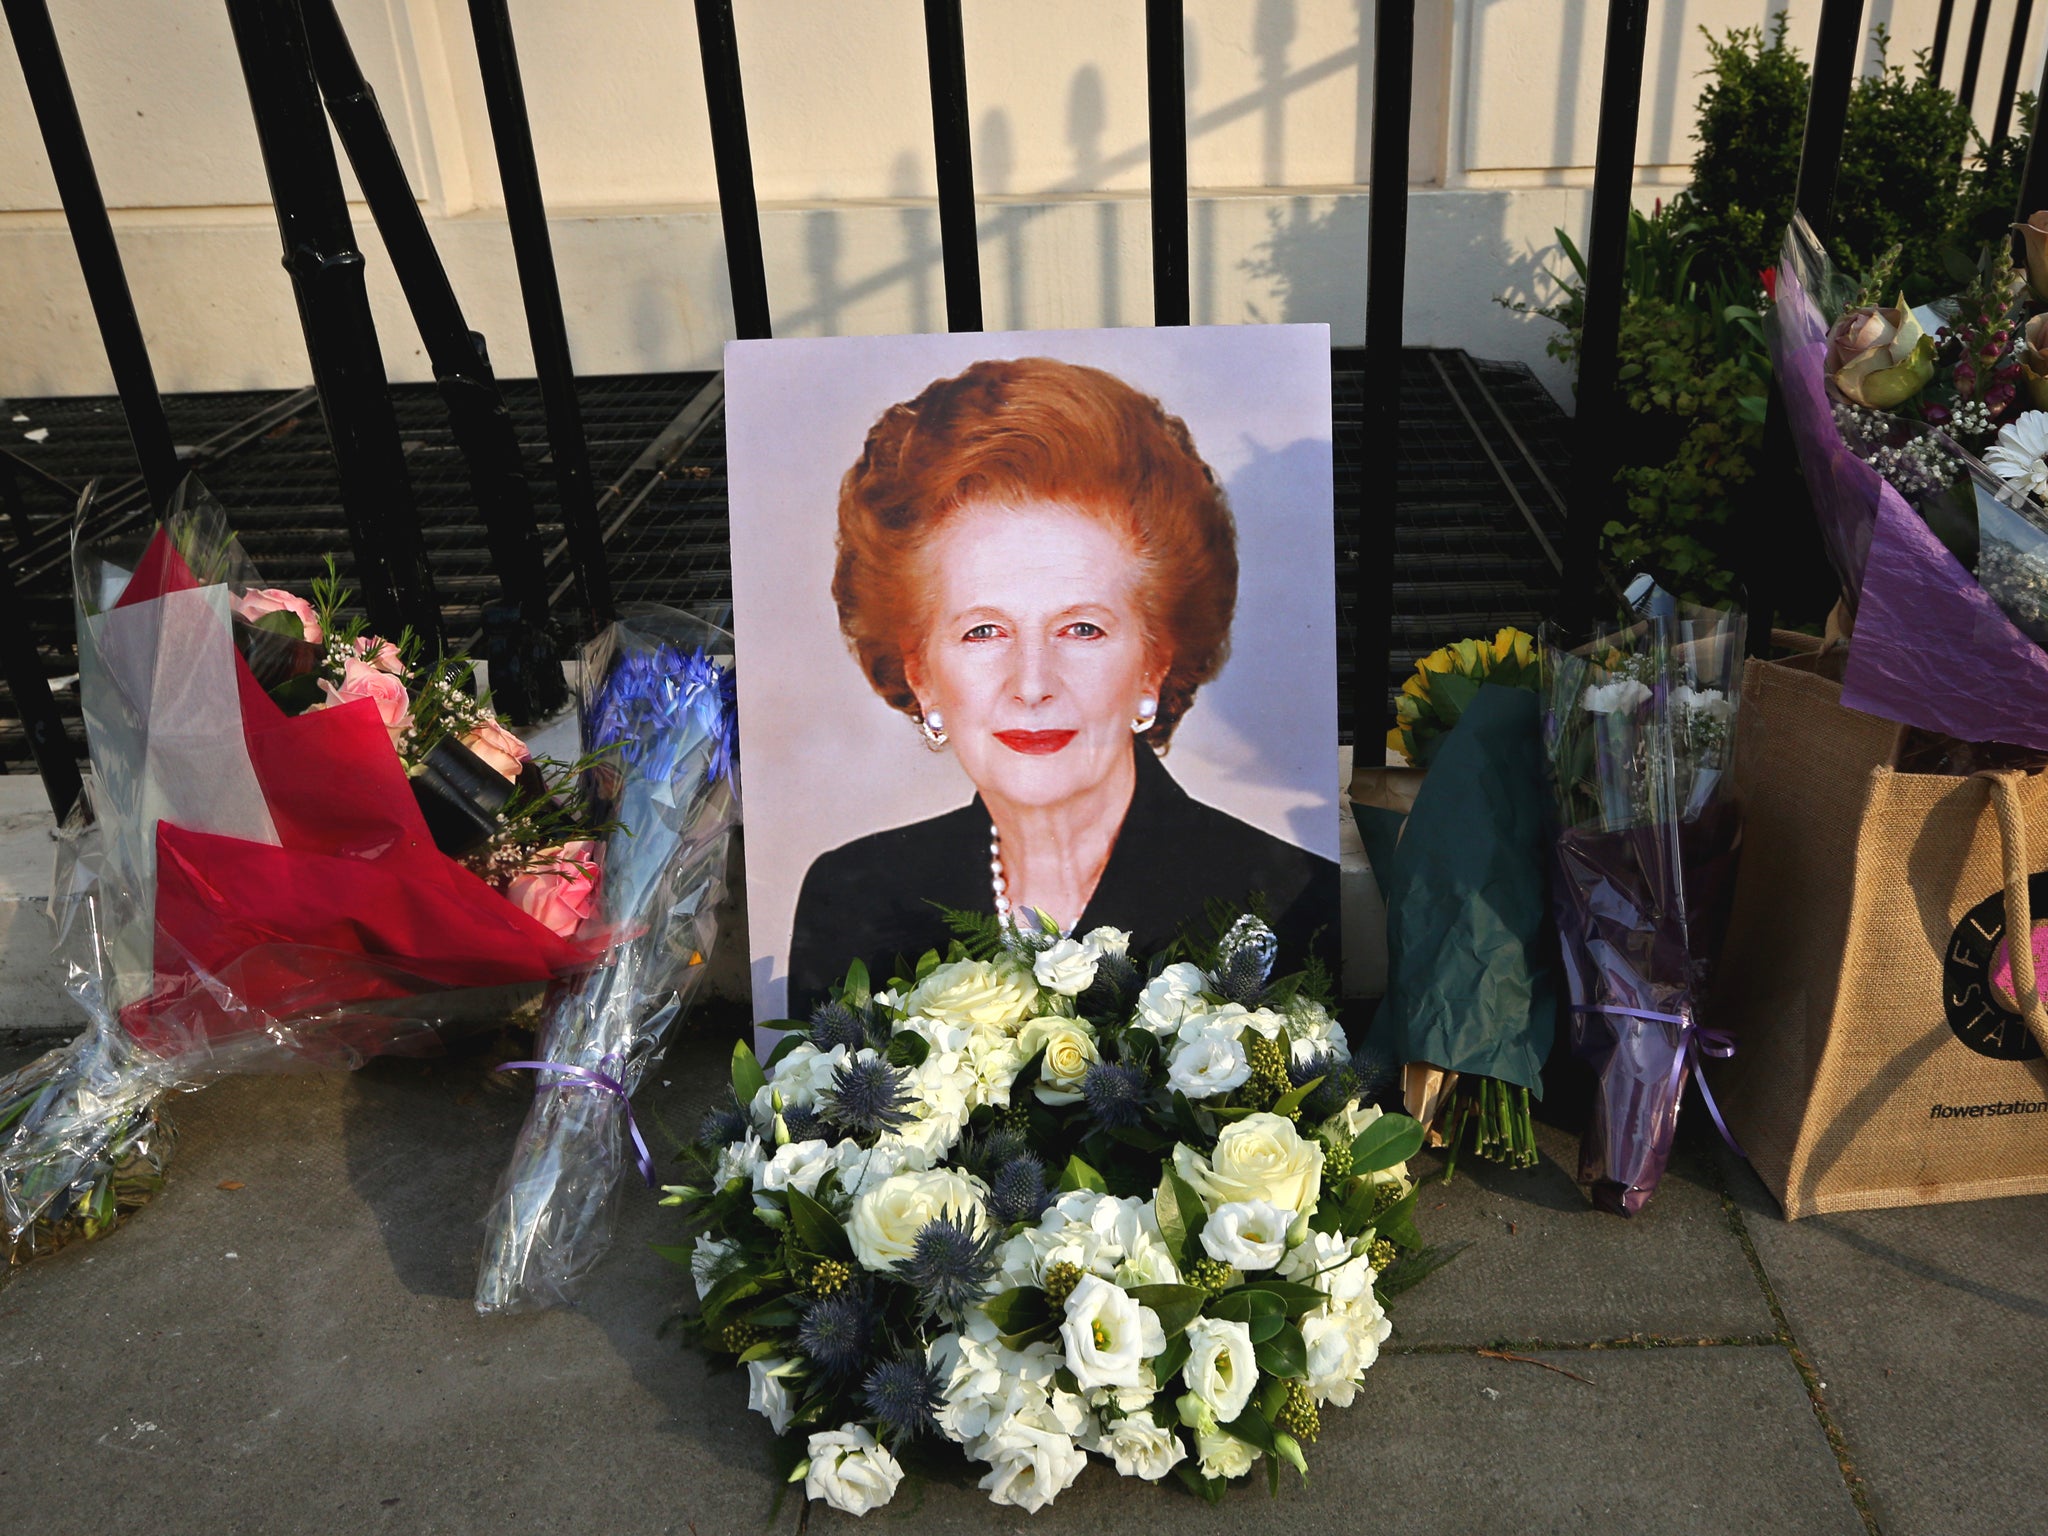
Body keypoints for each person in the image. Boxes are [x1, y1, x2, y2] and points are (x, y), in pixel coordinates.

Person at [786, 356, 1337, 1014]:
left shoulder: (1287, 900)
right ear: (920, 674)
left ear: (1155, 664)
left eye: (1081, 629)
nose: (1032, 684)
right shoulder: (853, 897)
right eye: (983, 632)